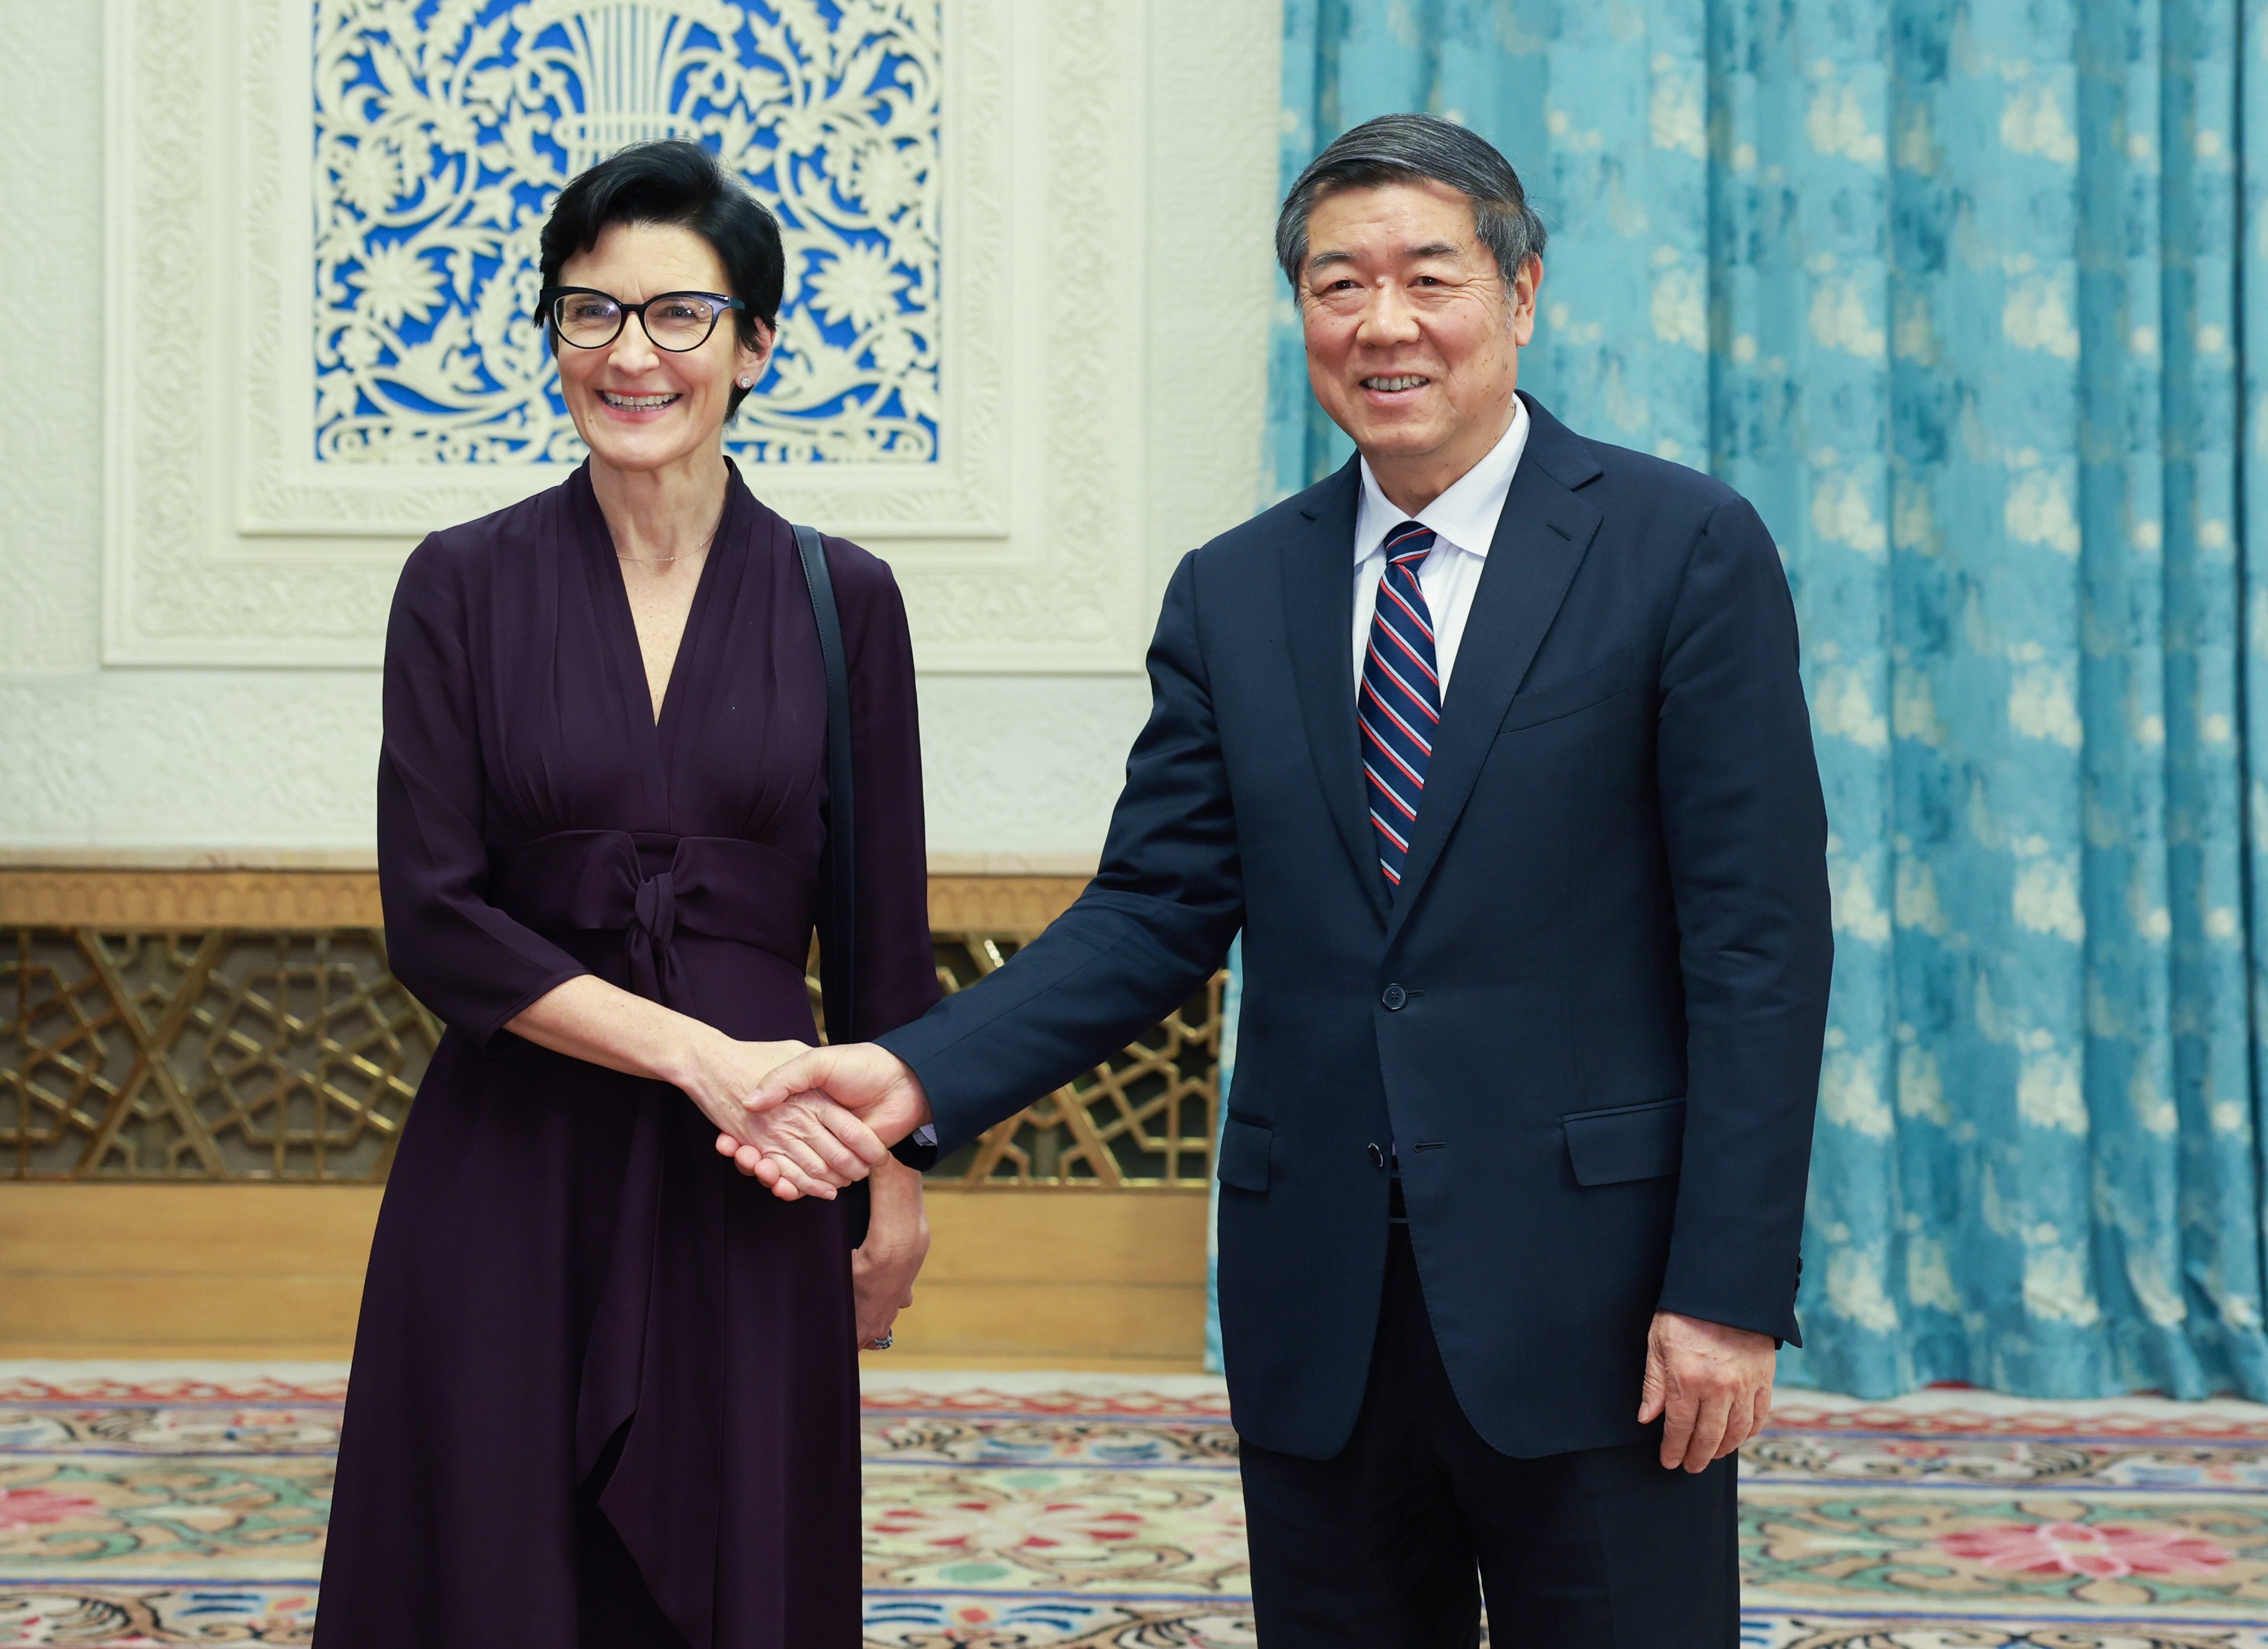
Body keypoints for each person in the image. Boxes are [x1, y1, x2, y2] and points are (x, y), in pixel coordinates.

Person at [739, 114, 1833, 1645]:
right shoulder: (1236, 589)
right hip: (1319, 1292)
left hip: (1592, 1295)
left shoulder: (1681, 549)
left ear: (1521, 293)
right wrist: (907, 1074)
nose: (1382, 323)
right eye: (1337, 285)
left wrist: (1724, 1287)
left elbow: (1756, 948)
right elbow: (1152, 911)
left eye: (1427, 278)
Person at [316, 139, 935, 1649]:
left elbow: (877, 925)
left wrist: (899, 1182)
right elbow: (438, 915)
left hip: (764, 1177)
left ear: (754, 346)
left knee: (738, 1566)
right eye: (589, 315)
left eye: (679, 316)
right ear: (551, 340)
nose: (631, 354)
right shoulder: (459, 583)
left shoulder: (840, 597)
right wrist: (698, 1059)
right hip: (516, 1158)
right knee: (488, 1562)